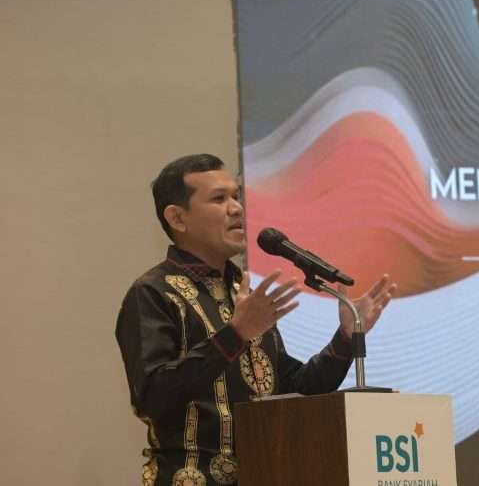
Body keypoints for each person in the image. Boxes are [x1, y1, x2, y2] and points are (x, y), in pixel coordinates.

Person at [115, 154, 395, 486]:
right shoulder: (154, 292)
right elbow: (152, 397)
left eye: (236, 196)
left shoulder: (243, 292)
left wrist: (345, 339)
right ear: (178, 218)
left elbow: (293, 391)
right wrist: (235, 334)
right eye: (219, 199)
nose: (236, 208)